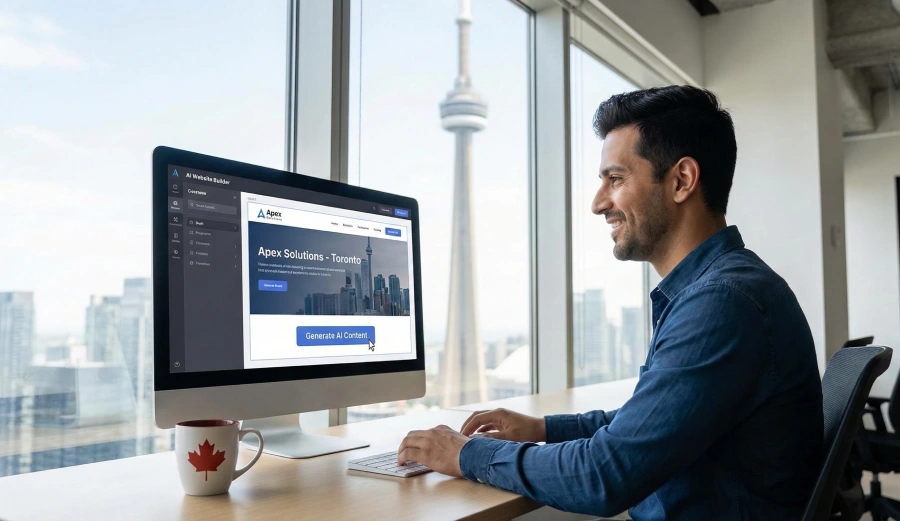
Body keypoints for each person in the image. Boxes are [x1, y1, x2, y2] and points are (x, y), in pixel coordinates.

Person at [396, 85, 823, 520]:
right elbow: (649, 421)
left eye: (615, 179)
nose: (599, 203)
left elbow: (604, 475)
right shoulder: (722, 288)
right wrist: (543, 428)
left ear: (681, 180)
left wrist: (467, 454)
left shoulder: (722, 303)